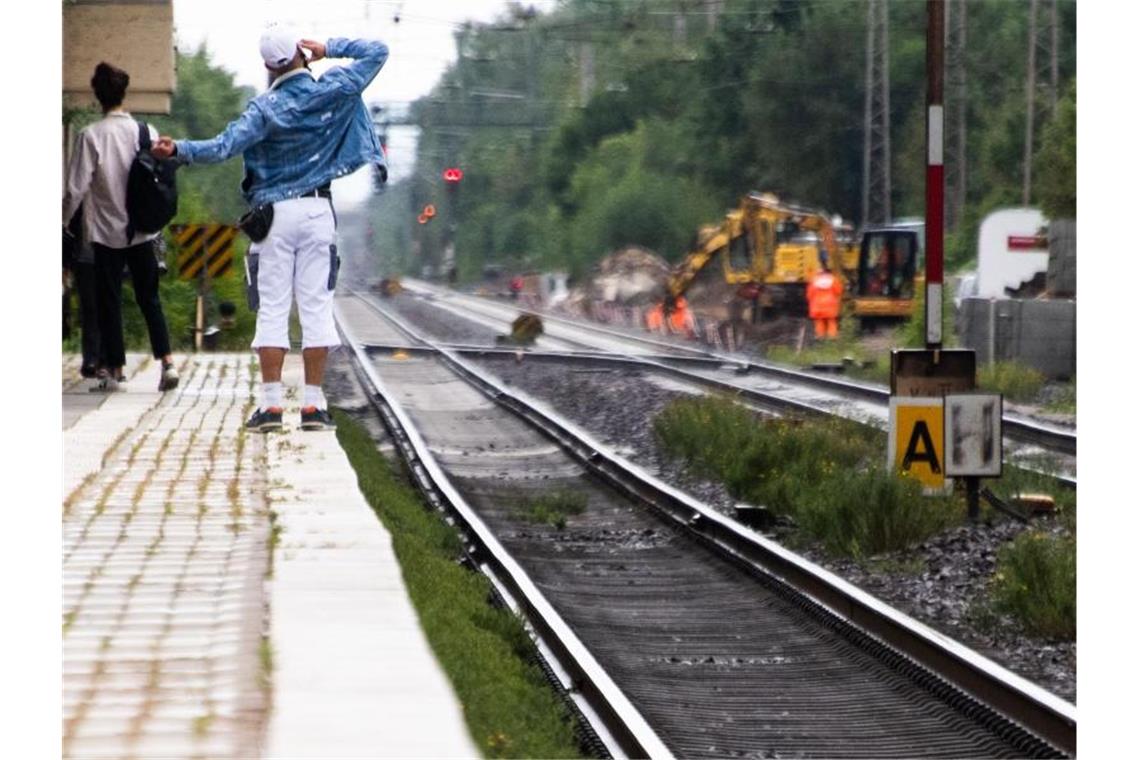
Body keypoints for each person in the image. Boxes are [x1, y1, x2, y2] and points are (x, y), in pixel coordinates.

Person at [152, 26, 389, 432]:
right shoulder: (334, 87)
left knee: (274, 309)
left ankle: (272, 407)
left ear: (267, 66)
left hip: (274, 216)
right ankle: (315, 406)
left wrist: (180, 150)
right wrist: (329, 48)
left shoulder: (264, 110)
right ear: (301, 53)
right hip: (318, 211)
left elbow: (223, 146)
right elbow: (377, 51)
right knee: (316, 308)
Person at [63, 62, 180, 392]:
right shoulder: (147, 132)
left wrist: (62, 223)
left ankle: (114, 369)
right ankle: (167, 363)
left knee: (108, 301)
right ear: (124, 93)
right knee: (150, 299)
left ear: (97, 96)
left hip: (105, 234)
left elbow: (75, 189)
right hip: (143, 230)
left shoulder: (91, 136)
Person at [805, 259, 844, 340]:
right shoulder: (833, 280)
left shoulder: (814, 281)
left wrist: (811, 301)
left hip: (817, 305)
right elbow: (839, 291)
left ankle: (820, 336)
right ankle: (832, 336)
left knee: (819, 321)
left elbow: (809, 295)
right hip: (830, 305)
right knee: (831, 321)